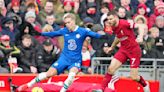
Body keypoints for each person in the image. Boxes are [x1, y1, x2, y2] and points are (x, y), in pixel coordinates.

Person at [17, 13, 106, 92]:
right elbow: (53, 34)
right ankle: (28, 85)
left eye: (69, 22)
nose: (67, 25)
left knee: (71, 76)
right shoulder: (65, 30)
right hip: (64, 58)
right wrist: (40, 33)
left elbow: (96, 35)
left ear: (74, 21)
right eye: (66, 23)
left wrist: (106, 35)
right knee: (49, 74)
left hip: (75, 60)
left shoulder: (83, 31)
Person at [101, 11, 150, 92]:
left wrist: (140, 37)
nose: (109, 21)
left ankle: (145, 84)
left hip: (134, 50)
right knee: (110, 69)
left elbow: (141, 26)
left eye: (111, 19)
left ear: (116, 18)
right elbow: (118, 37)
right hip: (123, 50)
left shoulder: (124, 23)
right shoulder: (113, 27)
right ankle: (101, 89)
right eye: (108, 19)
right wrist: (112, 47)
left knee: (134, 77)